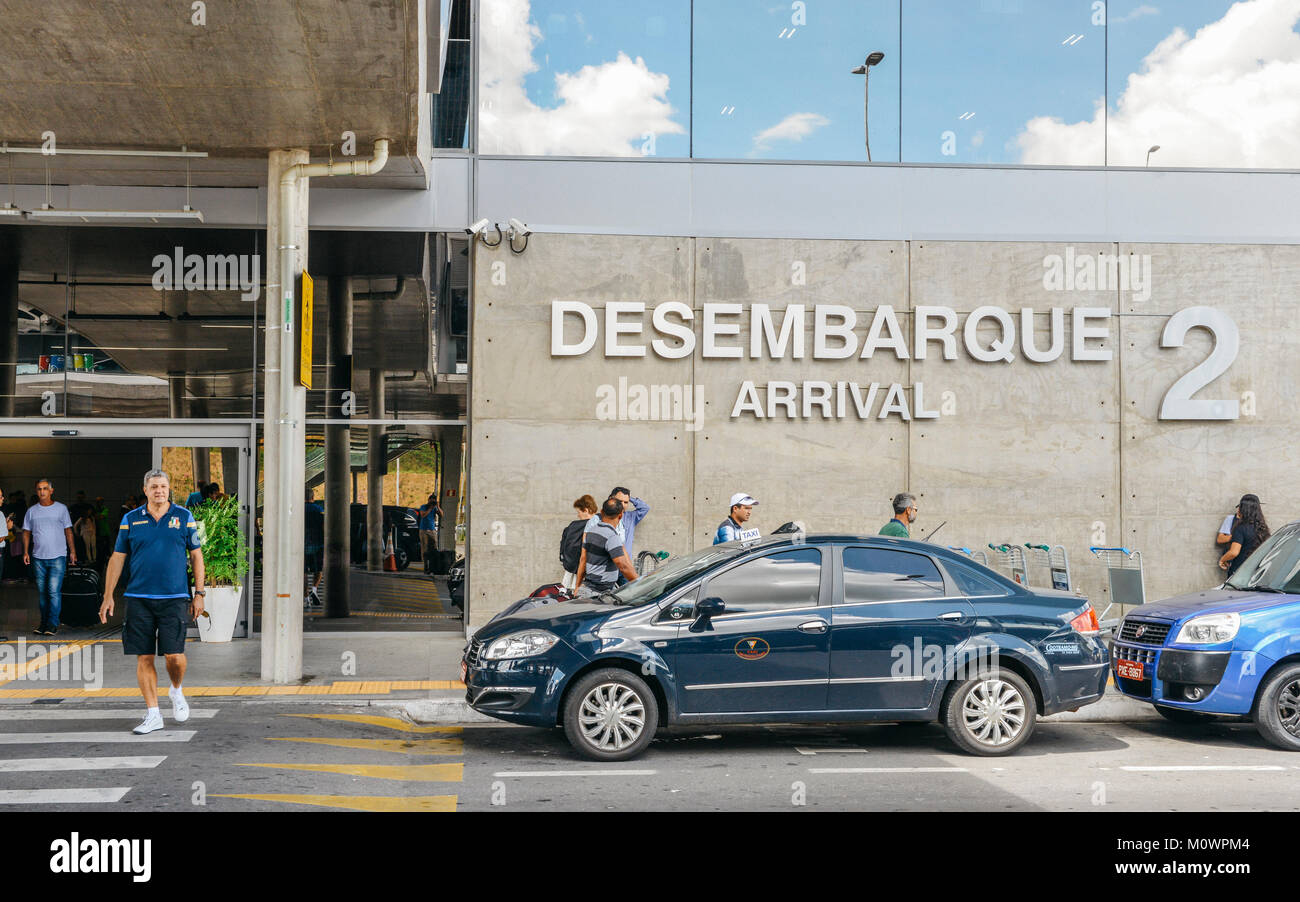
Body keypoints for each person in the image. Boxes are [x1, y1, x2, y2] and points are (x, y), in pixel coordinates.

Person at [99, 469, 205, 735]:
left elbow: (196, 557)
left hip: (174, 598)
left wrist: (199, 593)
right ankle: (153, 714)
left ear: (169, 490)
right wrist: (108, 595)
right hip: (139, 599)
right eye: (154, 486)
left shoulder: (184, 517)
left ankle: (176, 689)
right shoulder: (130, 520)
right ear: (145, 490)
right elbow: (117, 558)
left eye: (164, 486)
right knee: (144, 657)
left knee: (175, 656)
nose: (159, 491)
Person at [22, 478, 76, 635]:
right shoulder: (32, 511)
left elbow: (68, 531)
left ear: (51, 491)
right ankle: (43, 623)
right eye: (39, 489)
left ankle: (52, 624)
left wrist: (72, 551)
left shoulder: (61, 509)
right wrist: (25, 551)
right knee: (42, 593)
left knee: (53, 591)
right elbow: (26, 532)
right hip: (38, 557)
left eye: (45, 488)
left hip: (58, 556)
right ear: (36, 491)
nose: (42, 491)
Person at [574, 497, 638, 596]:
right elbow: (623, 566)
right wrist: (640, 585)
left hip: (586, 589)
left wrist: (577, 587)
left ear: (601, 512)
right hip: (599, 595)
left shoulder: (591, 531)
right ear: (620, 515)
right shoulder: (612, 536)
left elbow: (583, 560)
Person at [1219, 493, 1270, 578]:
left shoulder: (1240, 528)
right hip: (1257, 571)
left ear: (1243, 509)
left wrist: (1222, 560)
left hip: (1240, 572)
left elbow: (1234, 552)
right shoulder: (1263, 527)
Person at [560, 495, 598, 590]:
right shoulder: (600, 524)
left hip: (571, 571)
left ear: (586, 510)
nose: (578, 515)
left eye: (579, 512)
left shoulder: (573, 526)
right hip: (592, 571)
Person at [304, 491, 325, 606]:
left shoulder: (298, 509)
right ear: (313, 497)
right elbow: (324, 526)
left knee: (303, 572)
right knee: (318, 570)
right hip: (318, 544)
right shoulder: (319, 509)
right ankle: (314, 589)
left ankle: (306, 597)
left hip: (302, 544)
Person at [417, 493, 443, 574]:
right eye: (431, 501)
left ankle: (433, 566)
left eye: (433, 502)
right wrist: (430, 508)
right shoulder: (423, 507)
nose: (432, 503)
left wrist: (437, 506)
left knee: (434, 548)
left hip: (432, 530)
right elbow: (423, 515)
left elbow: (442, 515)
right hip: (423, 530)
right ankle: (426, 567)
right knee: (425, 548)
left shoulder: (435, 508)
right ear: (428, 500)